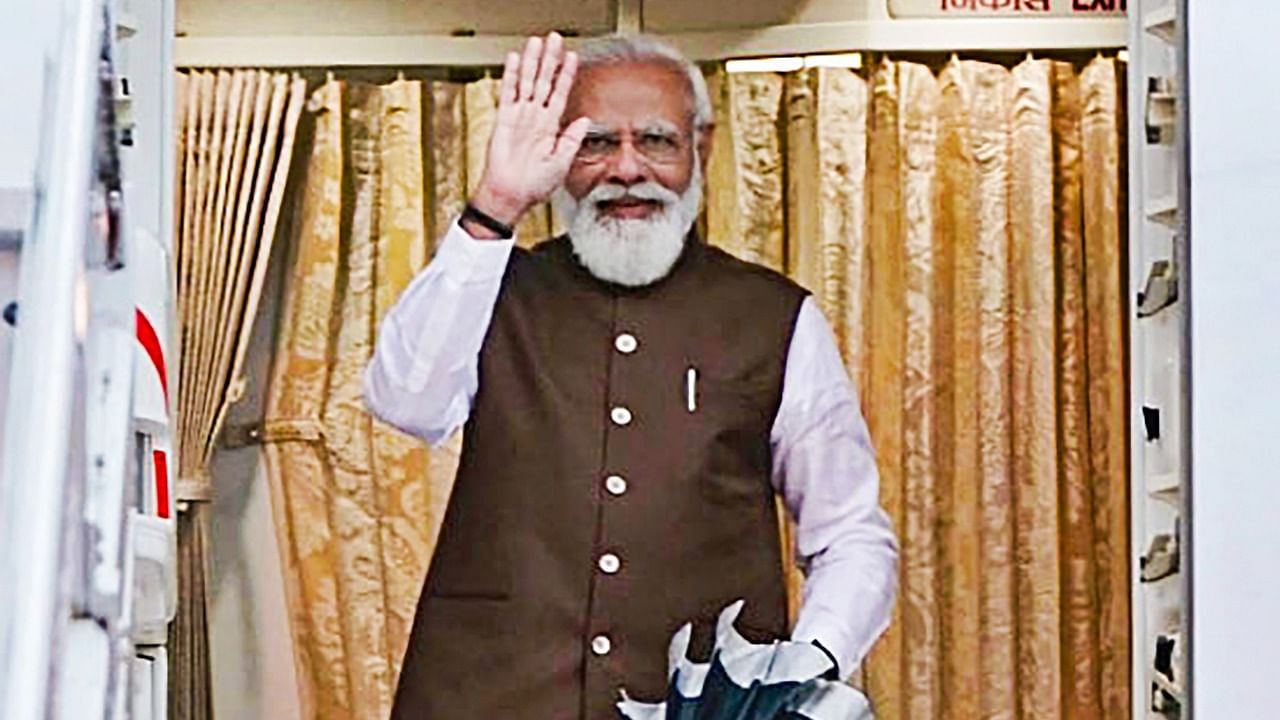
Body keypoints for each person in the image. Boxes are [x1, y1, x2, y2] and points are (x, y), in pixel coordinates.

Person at [364, 31, 898, 720]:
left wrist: (801, 668)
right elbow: (405, 400)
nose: (625, 169)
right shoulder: (492, 284)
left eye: (655, 141)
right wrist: (495, 203)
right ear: (557, 155)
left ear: (700, 149)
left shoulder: (774, 316)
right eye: (594, 143)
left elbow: (850, 532)